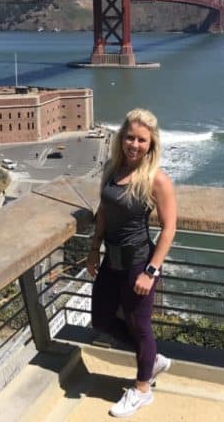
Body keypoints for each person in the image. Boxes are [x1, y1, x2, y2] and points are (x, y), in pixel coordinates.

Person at [86, 108, 177, 417]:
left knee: (140, 328)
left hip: (139, 262)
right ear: (121, 137)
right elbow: (104, 211)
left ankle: (142, 389)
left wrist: (151, 272)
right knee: (101, 320)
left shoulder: (157, 180)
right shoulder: (112, 168)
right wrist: (93, 246)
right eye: (129, 137)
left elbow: (169, 228)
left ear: (150, 145)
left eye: (141, 140)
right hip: (111, 260)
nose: (134, 145)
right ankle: (152, 360)